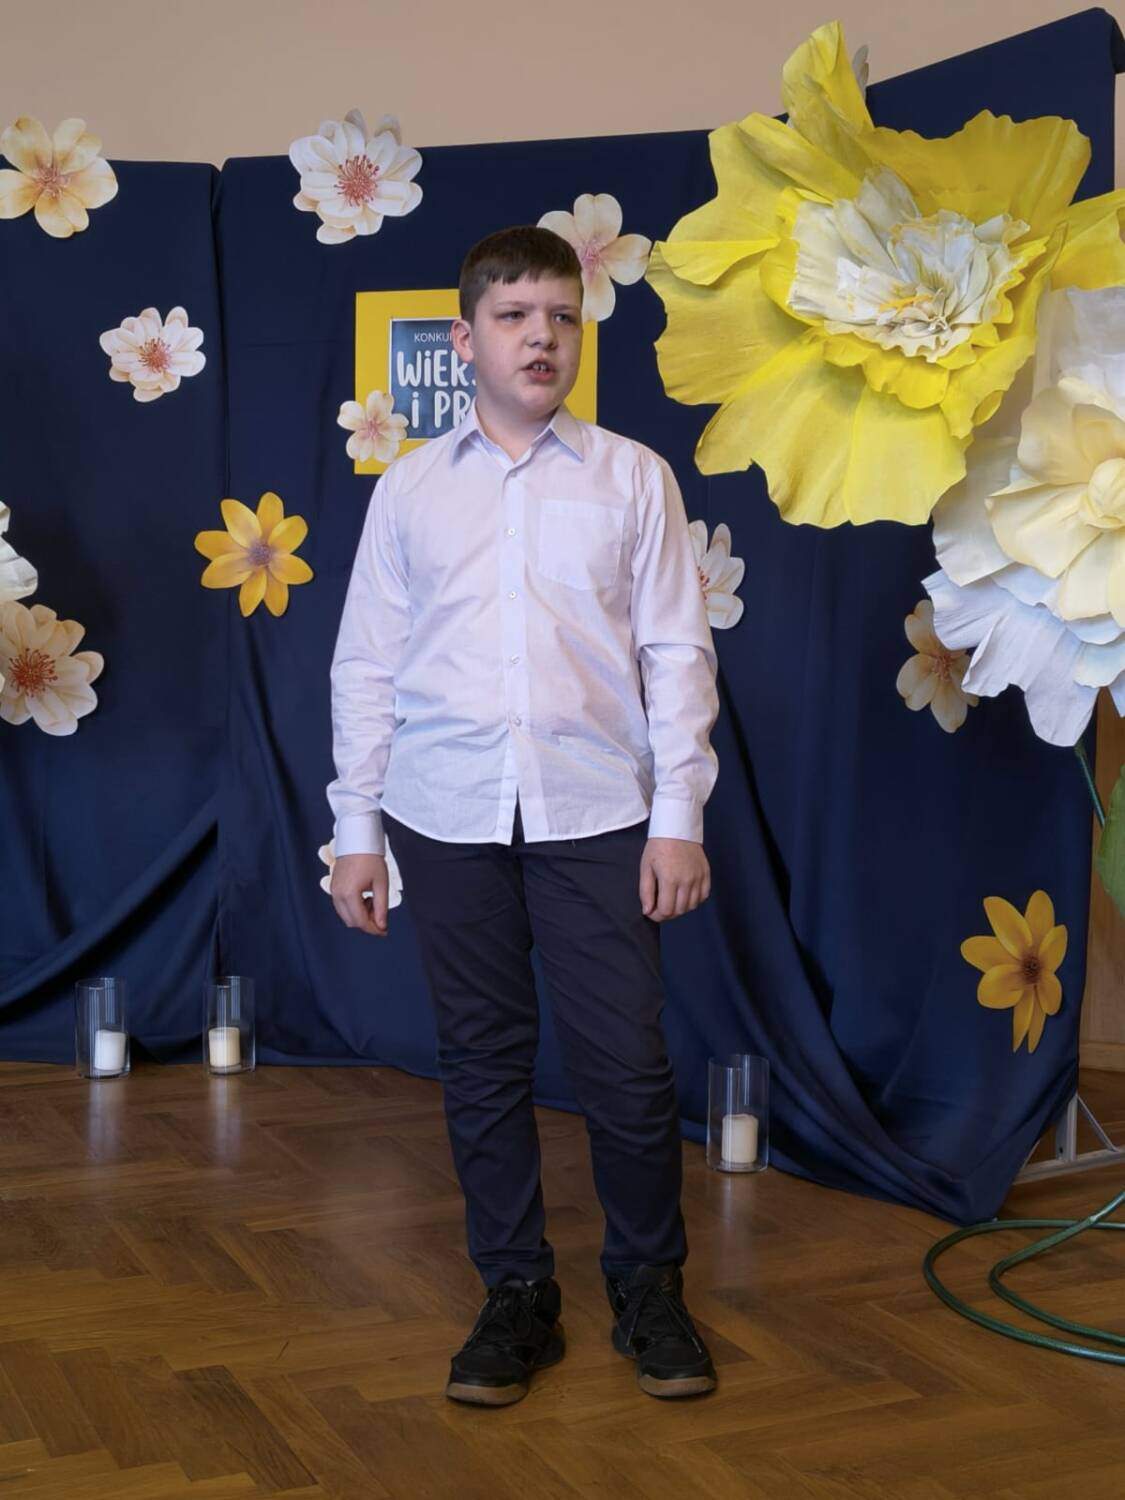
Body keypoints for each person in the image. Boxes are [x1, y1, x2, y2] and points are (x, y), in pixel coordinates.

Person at [327, 225, 720, 1406]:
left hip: (598, 811)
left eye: (562, 317)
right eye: (514, 317)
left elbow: (676, 653)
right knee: (483, 1061)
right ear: (465, 339)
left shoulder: (634, 477)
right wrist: (356, 830)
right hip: (442, 815)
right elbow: (366, 666)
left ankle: (649, 1288)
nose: (541, 337)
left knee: (628, 1063)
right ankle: (515, 1294)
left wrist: (679, 814)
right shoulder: (409, 489)